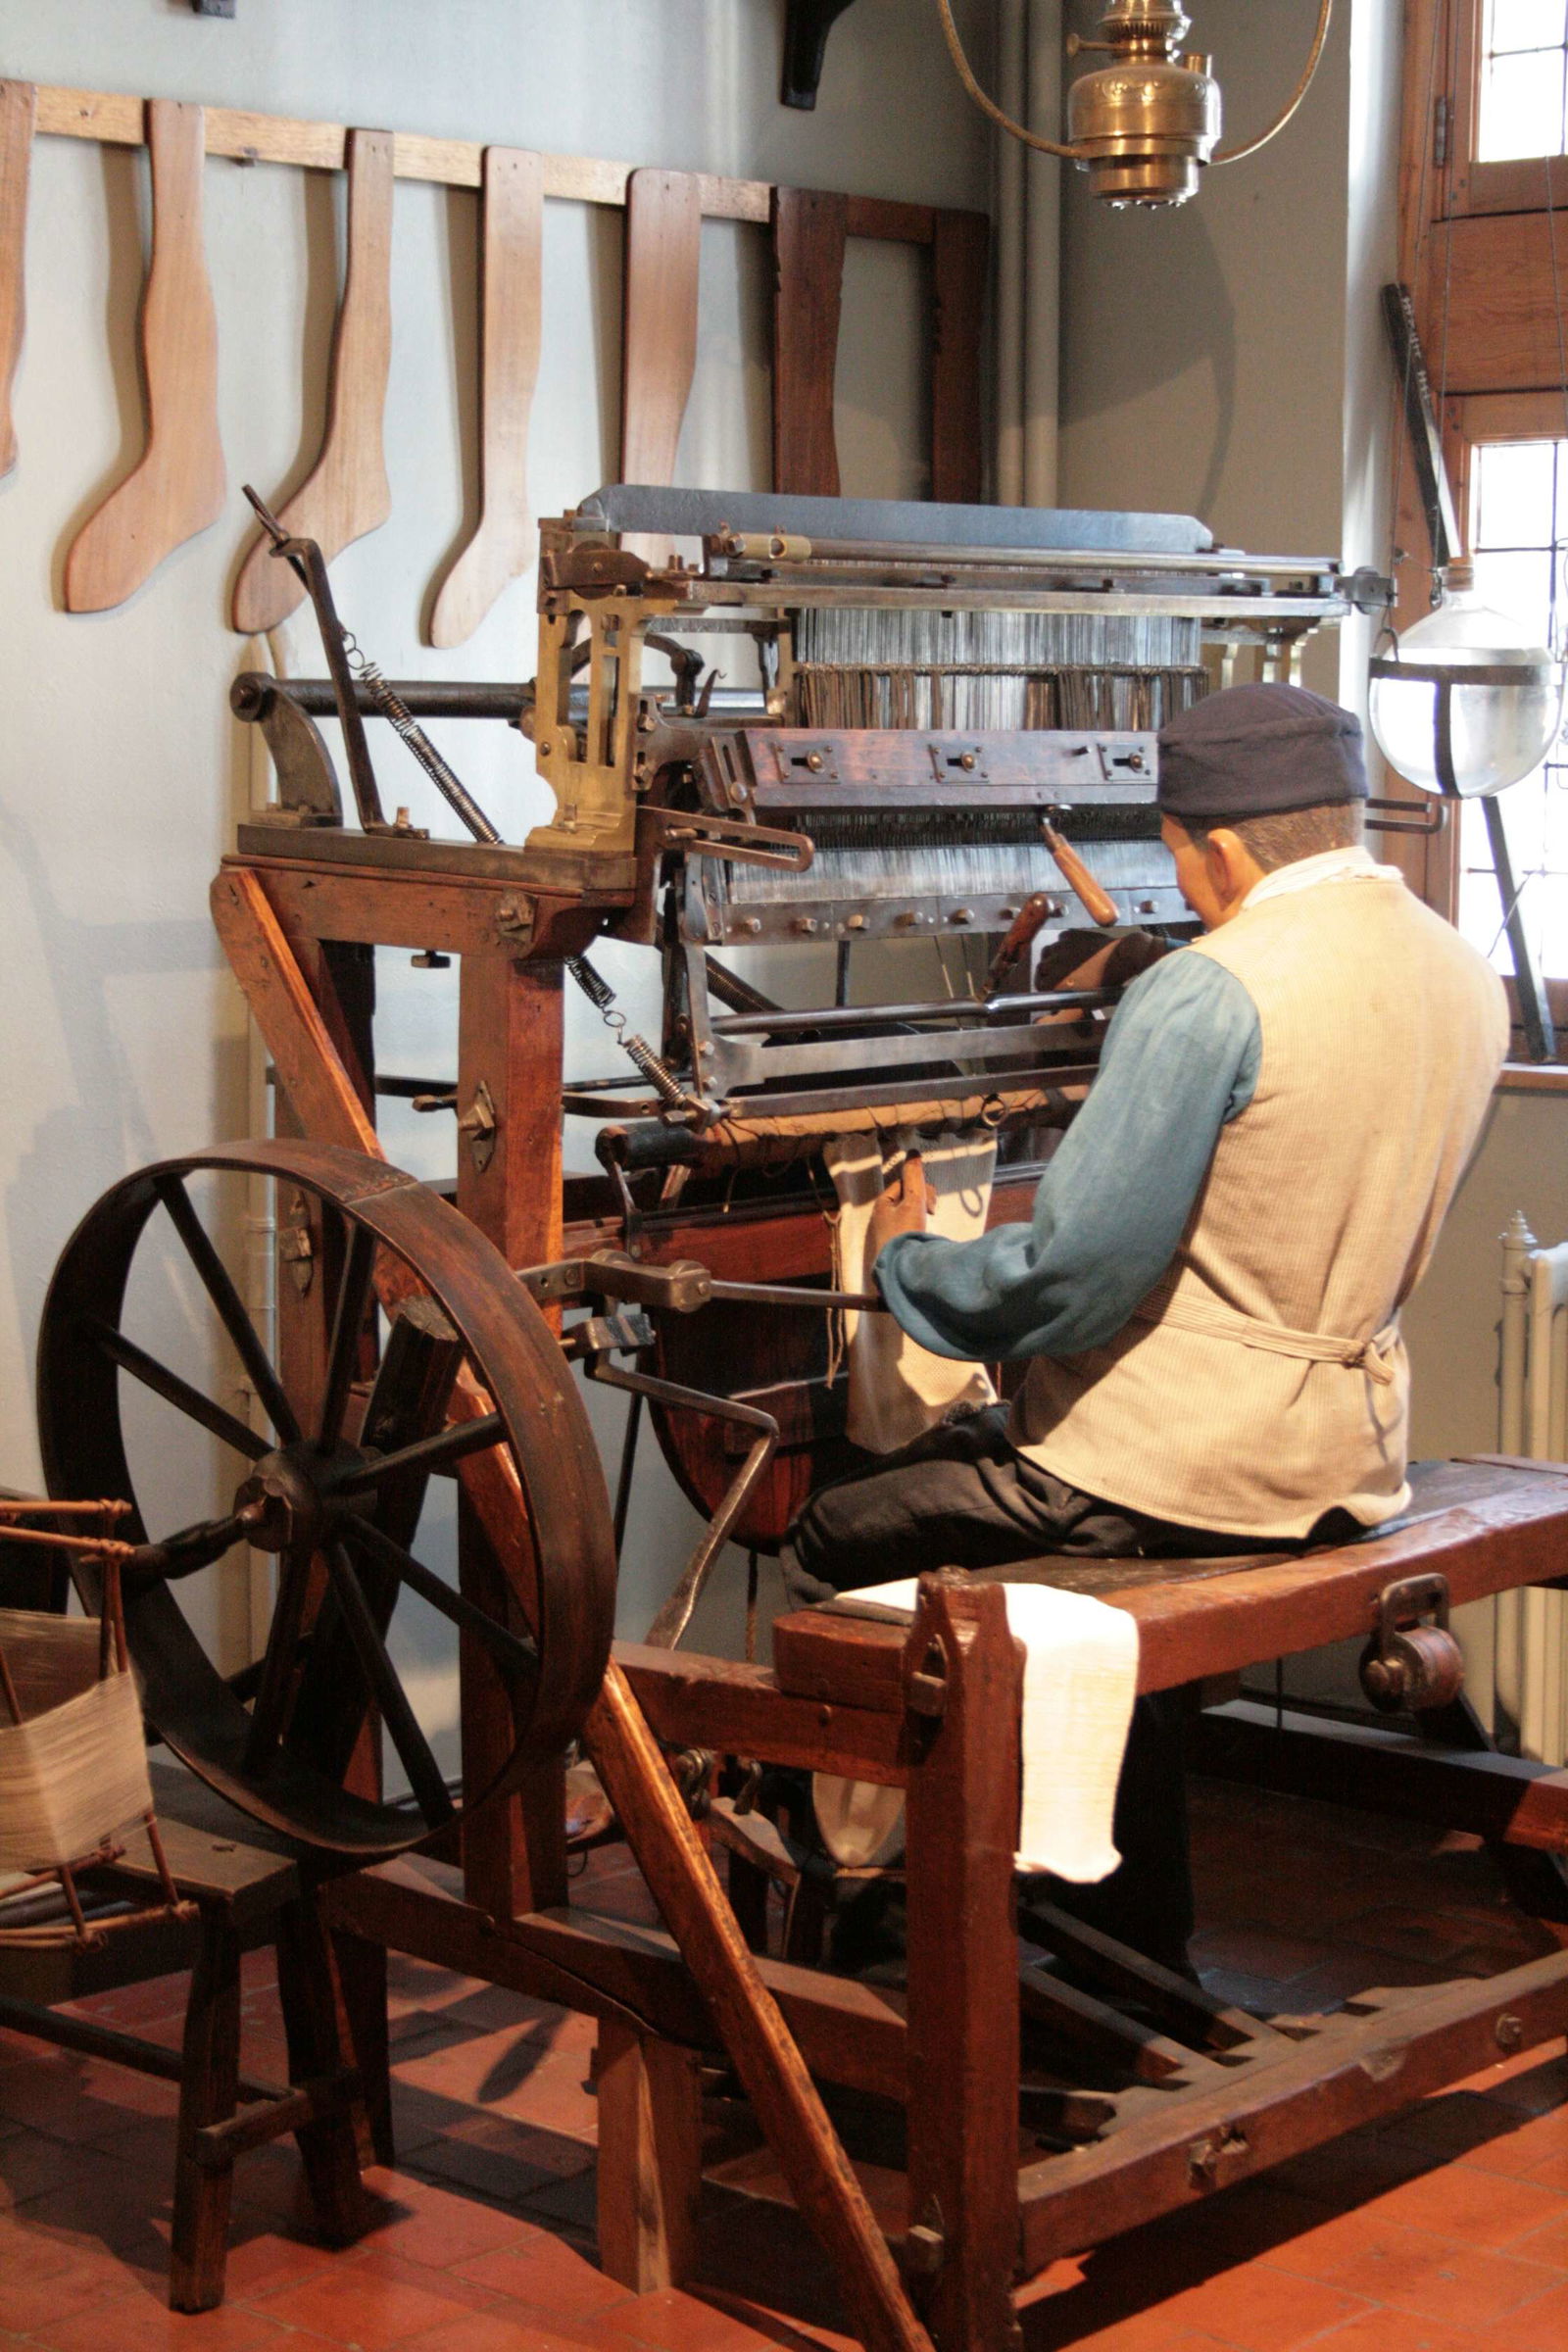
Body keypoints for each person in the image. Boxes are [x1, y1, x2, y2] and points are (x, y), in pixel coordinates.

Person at [782, 680, 1508, 1974]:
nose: (1182, 886)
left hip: (1180, 1473)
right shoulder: (1459, 967)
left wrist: (913, 1263)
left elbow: (1075, 1279)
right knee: (1018, 1520)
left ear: (1216, 847)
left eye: (1179, 859)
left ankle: (883, 1917)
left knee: (835, 1524)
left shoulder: (1211, 993)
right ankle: (1118, 1911)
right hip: (1350, 1453)